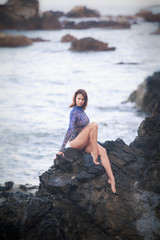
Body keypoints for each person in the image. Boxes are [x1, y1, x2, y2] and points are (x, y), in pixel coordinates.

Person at [57, 89, 116, 193]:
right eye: (78, 98)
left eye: (83, 99)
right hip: (75, 142)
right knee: (94, 124)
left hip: (84, 142)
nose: (80, 101)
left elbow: (86, 131)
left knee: (103, 151)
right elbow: (70, 129)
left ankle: (112, 180)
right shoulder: (74, 112)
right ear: (75, 98)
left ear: (85, 101)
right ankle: (94, 152)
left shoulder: (82, 112)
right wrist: (62, 148)